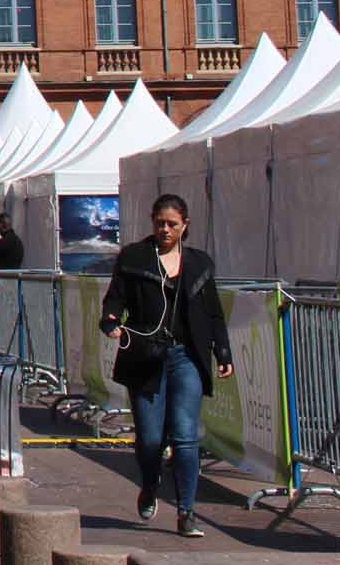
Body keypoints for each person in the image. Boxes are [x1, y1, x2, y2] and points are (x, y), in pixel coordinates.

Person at [101, 193, 233, 540]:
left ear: (185, 226)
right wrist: (110, 320)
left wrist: (223, 352)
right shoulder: (134, 258)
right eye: (160, 223)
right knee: (150, 438)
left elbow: (214, 313)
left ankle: (187, 513)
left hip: (186, 356)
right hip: (145, 357)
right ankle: (149, 483)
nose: (165, 229)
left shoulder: (200, 264)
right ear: (152, 222)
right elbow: (114, 298)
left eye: (172, 224)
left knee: (186, 436)